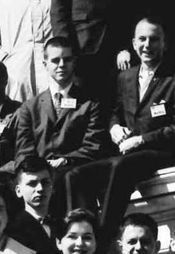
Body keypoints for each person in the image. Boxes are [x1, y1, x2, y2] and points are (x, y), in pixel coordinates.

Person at [76, 17, 175, 246]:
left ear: (164, 44)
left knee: (119, 166)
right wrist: (114, 127)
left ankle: (103, 241)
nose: (147, 45)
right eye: (142, 39)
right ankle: (85, 233)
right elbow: (115, 111)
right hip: (128, 152)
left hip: (159, 153)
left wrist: (141, 140)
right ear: (133, 43)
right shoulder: (126, 77)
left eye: (154, 39)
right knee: (77, 176)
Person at [14, 37, 109, 220]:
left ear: (74, 62)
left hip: (74, 174)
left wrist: (64, 161)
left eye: (67, 59)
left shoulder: (90, 102)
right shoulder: (30, 107)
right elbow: (23, 150)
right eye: (55, 60)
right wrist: (39, 169)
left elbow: (94, 146)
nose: (61, 65)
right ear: (45, 64)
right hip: (38, 177)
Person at [7, 156, 62, 254]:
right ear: (18, 191)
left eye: (45, 182)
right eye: (32, 183)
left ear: (53, 187)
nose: (40, 188)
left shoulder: (63, 224)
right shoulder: (12, 228)